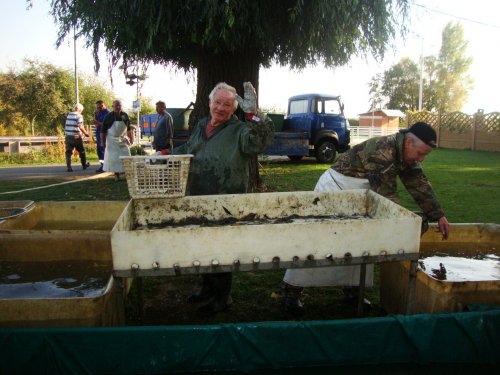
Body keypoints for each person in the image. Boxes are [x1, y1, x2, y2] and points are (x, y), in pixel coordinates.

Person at [282, 121, 451, 316]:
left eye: (425, 155)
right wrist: (410, 225)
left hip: (362, 196)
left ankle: (353, 289)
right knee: (320, 241)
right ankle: (292, 291)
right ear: (408, 143)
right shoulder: (382, 152)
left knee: (361, 241)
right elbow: (388, 200)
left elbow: (418, 182)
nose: (421, 159)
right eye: (421, 154)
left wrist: (438, 215)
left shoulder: (405, 153)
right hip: (335, 191)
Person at [174, 82, 274, 315]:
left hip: (227, 201)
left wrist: (253, 114)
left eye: (227, 104)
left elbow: (263, 140)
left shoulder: (241, 130)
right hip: (199, 195)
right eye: (217, 102)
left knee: (222, 248)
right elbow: (190, 148)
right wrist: (165, 155)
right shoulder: (201, 125)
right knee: (203, 246)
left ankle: (222, 297)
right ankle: (207, 288)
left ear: (233, 109)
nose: (220, 108)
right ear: (209, 103)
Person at [101, 100, 134, 181]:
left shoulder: (125, 116)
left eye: (119, 105)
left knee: (126, 156)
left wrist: (131, 138)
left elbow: (129, 128)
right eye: (116, 105)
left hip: (122, 139)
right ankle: (116, 175)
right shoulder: (108, 116)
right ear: (113, 106)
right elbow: (103, 131)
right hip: (111, 140)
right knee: (115, 158)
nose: (118, 107)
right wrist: (102, 142)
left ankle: (128, 174)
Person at [64, 103, 90, 172]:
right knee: (81, 151)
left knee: (68, 152)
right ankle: (84, 165)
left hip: (68, 136)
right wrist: (86, 133)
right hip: (76, 136)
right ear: (80, 109)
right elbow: (80, 126)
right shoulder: (79, 116)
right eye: (81, 110)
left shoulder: (69, 114)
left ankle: (69, 167)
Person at [94, 100, 110, 173]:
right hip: (98, 132)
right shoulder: (98, 112)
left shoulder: (108, 113)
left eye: (100, 107)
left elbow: (107, 124)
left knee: (104, 149)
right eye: (97, 107)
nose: (98, 108)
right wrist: (95, 117)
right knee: (99, 149)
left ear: (103, 105)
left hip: (105, 133)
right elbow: (96, 123)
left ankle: (105, 165)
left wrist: (98, 122)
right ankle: (102, 164)